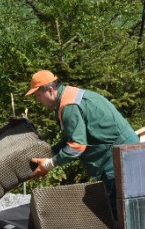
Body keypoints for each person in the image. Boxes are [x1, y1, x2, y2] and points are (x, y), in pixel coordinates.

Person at [25, 69, 138, 218]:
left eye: (38, 95)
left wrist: (49, 164)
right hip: (119, 152)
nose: (38, 101)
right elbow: (71, 139)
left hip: (119, 156)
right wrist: (49, 152)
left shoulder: (69, 105)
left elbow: (77, 146)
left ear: (51, 90)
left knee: (118, 212)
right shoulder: (69, 96)